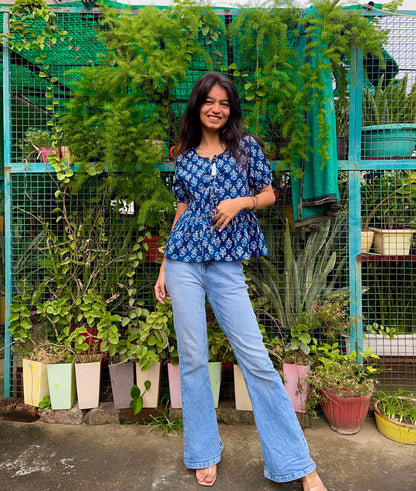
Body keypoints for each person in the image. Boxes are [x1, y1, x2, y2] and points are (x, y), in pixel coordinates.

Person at [154, 72, 326, 490]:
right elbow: (182, 210)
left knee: (257, 361)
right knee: (193, 361)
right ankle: (202, 451)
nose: (216, 108)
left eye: (224, 103)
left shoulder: (244, 147)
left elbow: (267, 194)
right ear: (197, 105)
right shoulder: (185, 155)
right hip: (183, 263)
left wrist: (239, 202)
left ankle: (298, 465)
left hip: (226, 266)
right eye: (209, 101)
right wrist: (163, 266)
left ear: (231, 109)